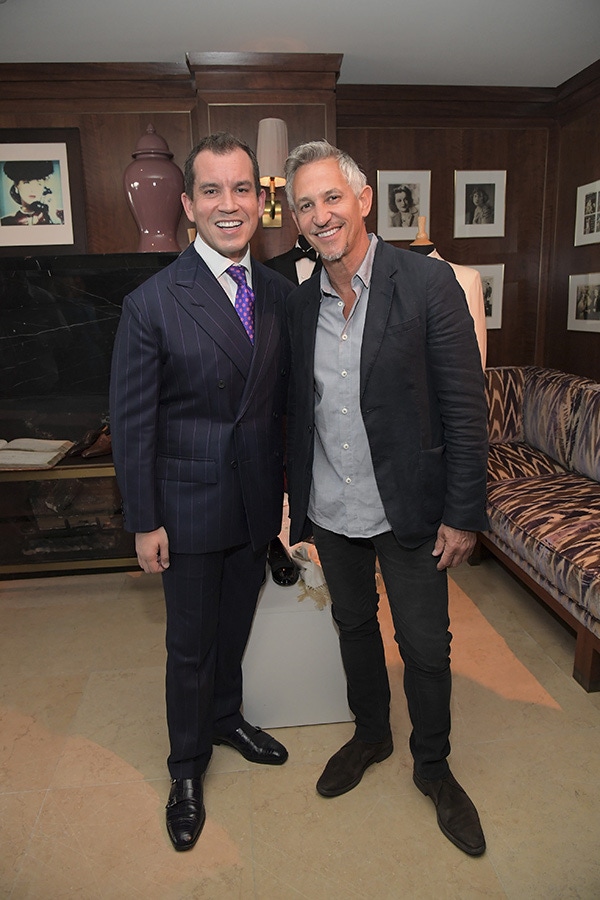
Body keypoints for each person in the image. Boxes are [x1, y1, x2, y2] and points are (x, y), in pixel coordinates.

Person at [283, 140, 489, 857]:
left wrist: (464, 513)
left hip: (409, 508)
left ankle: (432, 766)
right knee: (352, 626)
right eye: (305, 204)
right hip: (333, 513)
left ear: (363, 199)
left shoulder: (429, 285)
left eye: (331, 198)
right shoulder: (300, 300)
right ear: (297, 222)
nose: (320, 214)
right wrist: (295, 502)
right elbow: (296, 412)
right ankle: (371, 734)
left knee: (427, 648)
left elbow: (466, 408)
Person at [109, 132, 293, 853]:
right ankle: (186, 767)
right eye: (211, 190)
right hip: (184, 508)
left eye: (242, 188)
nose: (228, 203)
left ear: (260, 201)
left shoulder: (279, 294)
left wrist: (288, 500)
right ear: (187, 205)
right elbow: (132, 422)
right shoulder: (151, 303)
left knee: (234, 631)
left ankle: (225, 719)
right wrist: (144, 519)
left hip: (253, 504)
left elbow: (286, 405)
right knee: (188, 646)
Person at [1, 160, 64, 225]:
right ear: (16, 185)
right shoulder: (6, 222)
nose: (33, 190)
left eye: (38, 184)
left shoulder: (61, 217)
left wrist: (53, 216)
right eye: (27, 183)